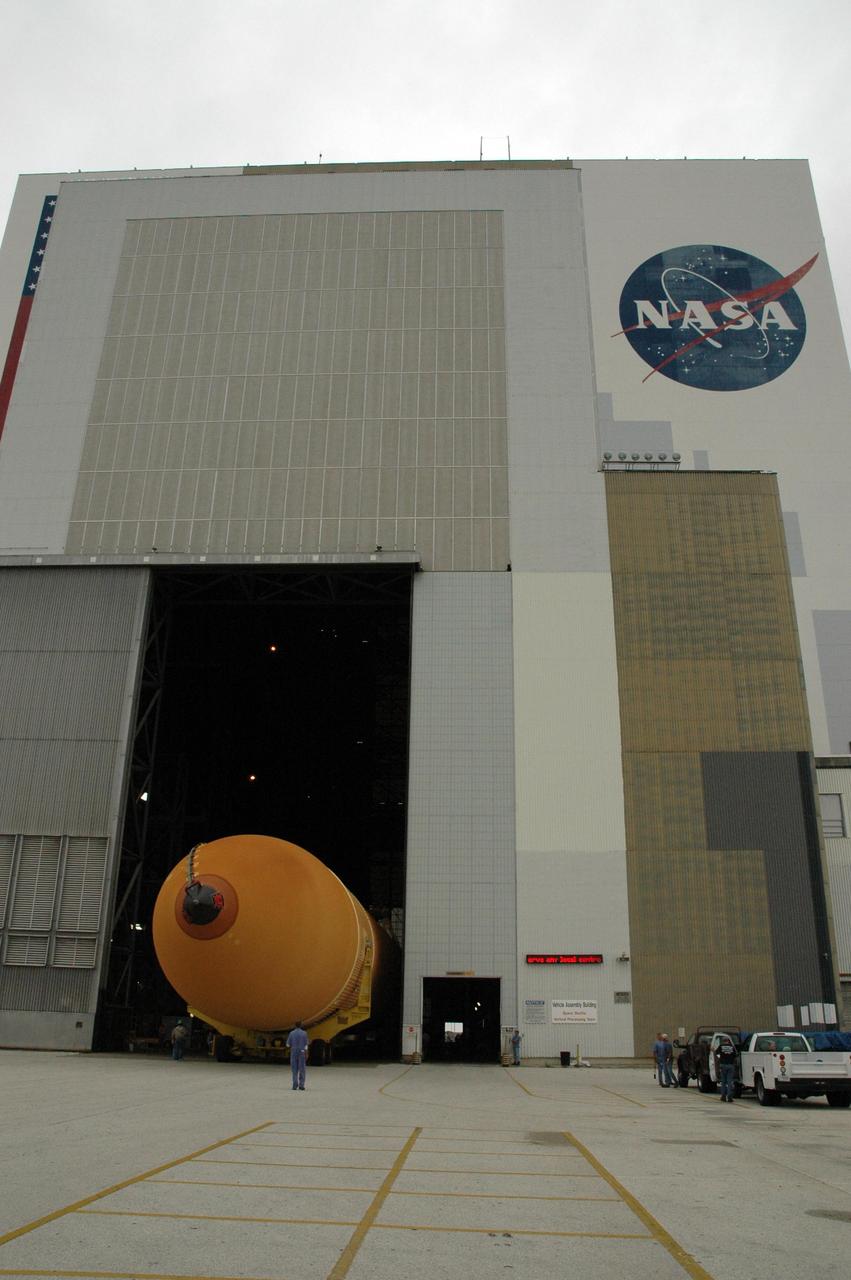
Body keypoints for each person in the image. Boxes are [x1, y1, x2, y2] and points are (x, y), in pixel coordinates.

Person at [714, 1034, 738, 1102]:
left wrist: (720, 1058)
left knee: (723, 1082)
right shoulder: (732, 1047)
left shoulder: (721, 1046)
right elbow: (735, 1055)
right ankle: (729, 1096)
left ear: (723, 1041)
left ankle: (723, 1096)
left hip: (723, 1065)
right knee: (729, 1081)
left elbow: (716, 1054)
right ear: (728, 1041)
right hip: (730, 1065)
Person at [286, 1020, 309, 1090]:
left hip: (294, 1052)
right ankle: (301, 1085)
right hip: (302, 1052)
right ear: (301, 1025)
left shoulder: (291, 1033)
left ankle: (294, 1085)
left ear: (295, 1025)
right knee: (302, 1069)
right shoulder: (304, 1033)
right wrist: (306, 1053)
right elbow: (306, 1045)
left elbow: (287, 1045)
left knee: (294, 1069)